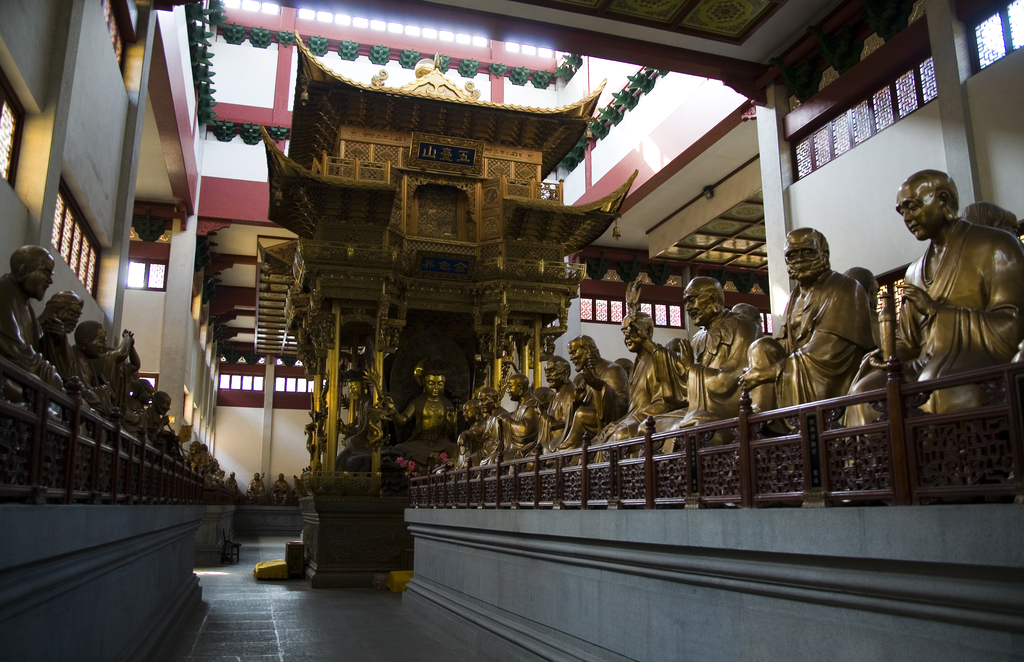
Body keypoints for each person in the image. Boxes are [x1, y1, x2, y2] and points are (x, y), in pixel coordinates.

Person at [850, 171, 1024, 413]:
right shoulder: (913, 272)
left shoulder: (996, 245)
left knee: (936, 384)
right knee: (864, 393)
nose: (907, 218)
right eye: (902, 212)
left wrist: (936, 312)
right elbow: (909, 340)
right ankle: (883, 452)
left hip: (977, 356)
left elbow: (1013, 325)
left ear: (942, 199)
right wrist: (889, 354)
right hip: (925, 360)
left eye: (913, 207)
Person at [740, 228, 875, 411]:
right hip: (796, 367)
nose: (800, 261)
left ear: (824, 254)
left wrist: (770, 372)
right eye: (792, 256)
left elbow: (828, 348)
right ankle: (762, 414)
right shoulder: (795, 295)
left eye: (808, 253)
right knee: (761, 347)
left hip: (825, 372)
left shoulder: (846, 288)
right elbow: (785, 344)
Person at [658, 277, 758, 431]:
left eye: (692, 300)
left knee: (688, 429)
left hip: (727, 408)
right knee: (646, 427)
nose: (688, 308)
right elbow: (687, 391)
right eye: (686, 303)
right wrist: (678, 367)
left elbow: (732, 379)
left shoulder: (742, 326)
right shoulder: (698, 338)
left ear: (712, 298)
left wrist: (690, 367)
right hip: (698, 405)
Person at [596, 291, 687, 443]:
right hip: (637, 417)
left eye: (632, 331)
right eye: (624, 332)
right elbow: (633, 406)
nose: (627, 337)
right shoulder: (637, 364)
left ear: (649, 331)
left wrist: (632, 418)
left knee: (618, 436)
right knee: (599, 438)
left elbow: (665, 403)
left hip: (650, 419)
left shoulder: (660, 358)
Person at [0, 246, 61, 389]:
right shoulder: (4, 291)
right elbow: (14, 350)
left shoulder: (28, 306)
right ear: (23, 272)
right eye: (46, 273)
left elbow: (37, 348)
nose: (50, 281)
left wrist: (56, 339)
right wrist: (48, 373)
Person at [556, 335, 628, 450]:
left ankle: (564, 450)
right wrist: (578, 402)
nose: (571, 358)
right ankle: (563, 449)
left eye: (574, 352)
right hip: (585, 430)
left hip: (605, 424)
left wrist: (600, 386)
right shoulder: (581, 378)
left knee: (581, 414)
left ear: (587, 350)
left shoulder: (612, 369)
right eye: (570, 354)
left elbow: (622, 405)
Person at [385, 363, 458, 464]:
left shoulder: (447, 403)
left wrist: (452, 424)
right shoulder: (418, 402)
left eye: (440, 384)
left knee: (456, 449)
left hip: (441, 442)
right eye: (431, 383)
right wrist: (394, 412)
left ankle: (434, 457)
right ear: (423, 382)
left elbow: (450, 434)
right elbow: (403, 420)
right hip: (421, 442)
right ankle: (431, 456)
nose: (436, 388)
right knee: (398, 448)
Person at [37, 290, 84, 383]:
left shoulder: (65, 342)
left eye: (77, 317)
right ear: (55, 311)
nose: (75, 321)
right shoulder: (36, 329)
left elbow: (69, 375)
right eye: (72, 314)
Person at [536, 356, 575, 453]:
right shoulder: (555, 396)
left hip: (563, 443)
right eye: (546, 371)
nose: (547, 375)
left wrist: (543, 415)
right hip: (551, 443)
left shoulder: (570, 394)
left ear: (565, 373)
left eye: (552, 370)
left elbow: (565, 428)